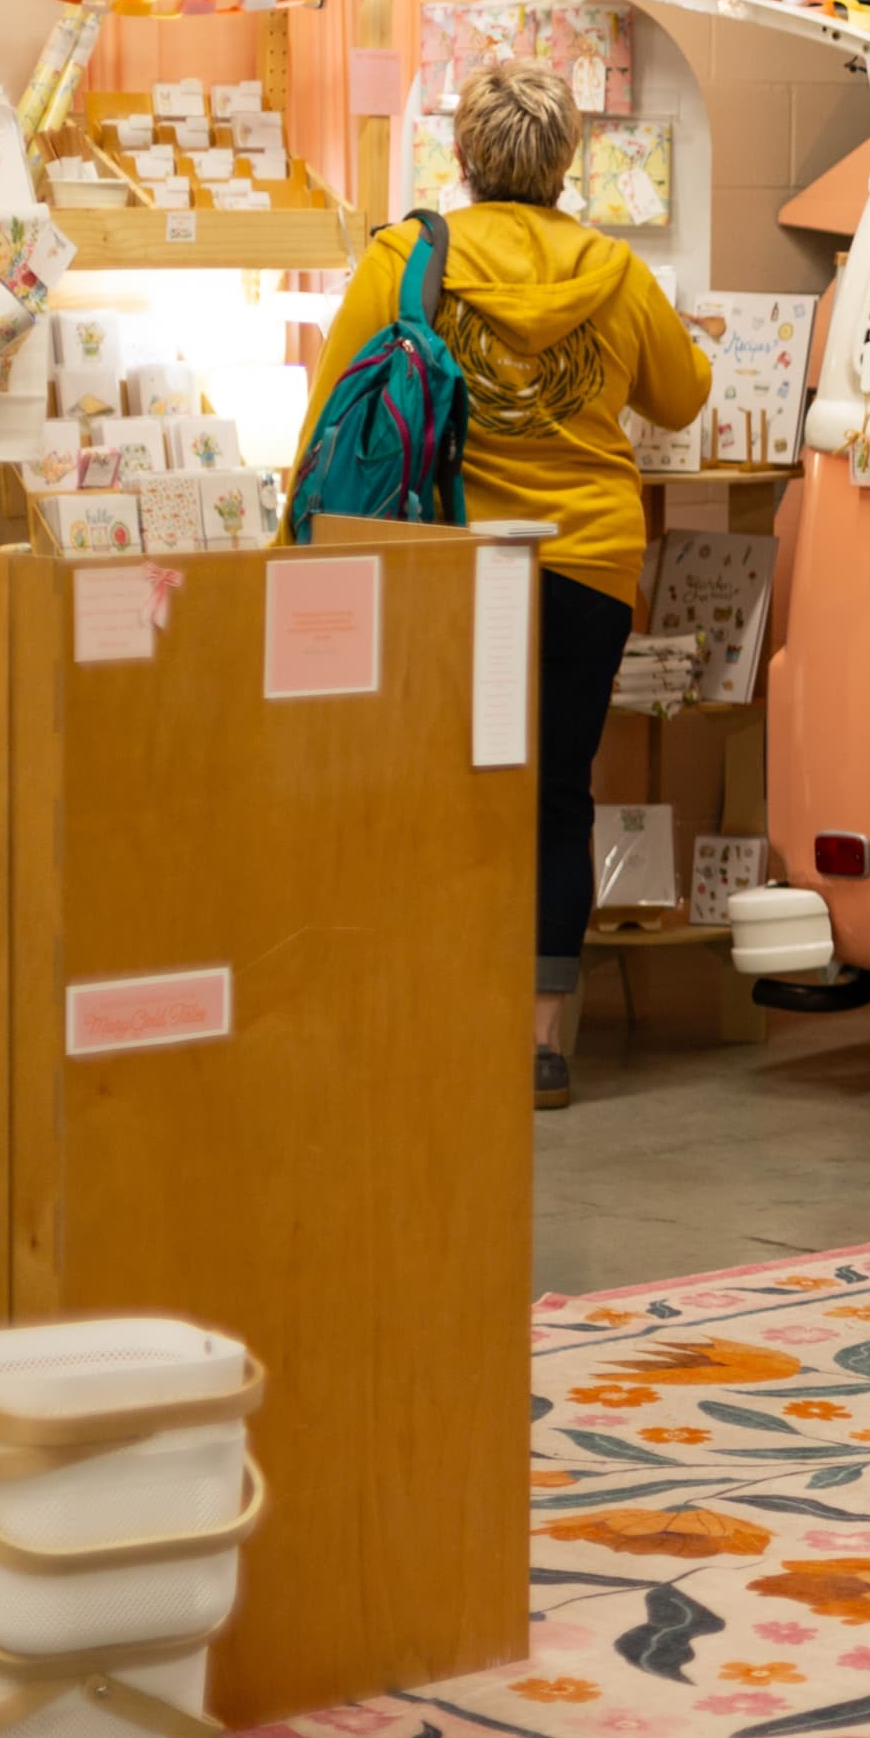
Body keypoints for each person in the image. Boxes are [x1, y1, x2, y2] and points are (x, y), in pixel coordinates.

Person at [298, 64, 712, 1111]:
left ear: (465, 156)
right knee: (557, 793)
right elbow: (682, 396)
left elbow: (335, 407)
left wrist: (294, 547)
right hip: (586, 563)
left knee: (431, 792)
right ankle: (539, 1046)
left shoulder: (409, 258)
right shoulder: (615, 272)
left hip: (451, 565)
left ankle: (433, 1015)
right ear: (569, 160)